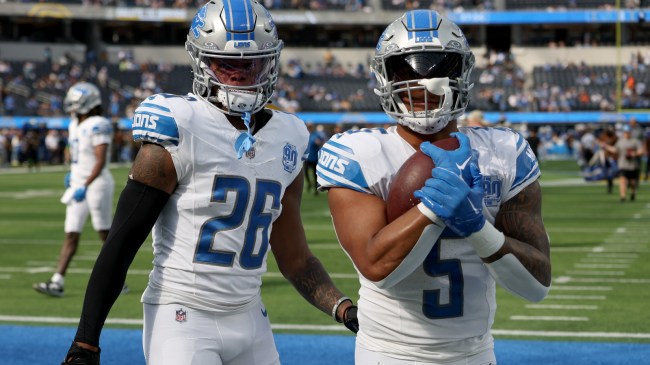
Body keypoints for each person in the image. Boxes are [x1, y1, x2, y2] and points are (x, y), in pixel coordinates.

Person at [61, 1, 358, 364]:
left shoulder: (290, 134)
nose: (239, 74)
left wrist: (344, 308)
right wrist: (85, 342)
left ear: (271, 61)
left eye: (252, 62)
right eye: (226, 63)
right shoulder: (181, 124)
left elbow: (295, 258)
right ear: (202, 62)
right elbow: (121, 242)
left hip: (251, 315)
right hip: (182, 315)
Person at [317, 10, 551, 365]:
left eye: (440, 69)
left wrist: (476, 226)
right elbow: (377, 267)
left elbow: (536, 286)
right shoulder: (359, 153)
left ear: (462, 74)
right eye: (405, 71)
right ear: (385, 77)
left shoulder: (504, 152)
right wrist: (432, 209)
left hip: (476, 353)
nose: (423, 83)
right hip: (391, 355)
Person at [33, 82, 121, 298]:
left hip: (96, 184)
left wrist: (85, 183)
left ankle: (118, 277)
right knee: (71, 233)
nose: (72, 106)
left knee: (104, 233)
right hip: (78, 184)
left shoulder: (98, 123)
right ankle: (57, 281)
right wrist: (72, 173)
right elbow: (73, 151)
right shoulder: (75, 124)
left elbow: (99, 161)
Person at [600, 125, 644, 202]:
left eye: (628, 132)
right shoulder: (620, 141)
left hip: (632, 165)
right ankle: (623, 196)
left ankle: (633, 193)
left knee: (632, 182)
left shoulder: (635, 141)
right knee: (622, 180)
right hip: (622, 164)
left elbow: (641, 151)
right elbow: (615, 150)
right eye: (625, 132)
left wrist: (634, 153)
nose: (626, 133)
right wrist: (606, 147)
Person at [304, 123, 327, 195]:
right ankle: (309, 184)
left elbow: (322, 142)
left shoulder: (316, 135)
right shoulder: (306, 135)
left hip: (314, 158)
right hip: (307, 158)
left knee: (315, 175)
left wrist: (319, 142)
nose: (309, 129)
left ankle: (315, 190)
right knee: (306, 173)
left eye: (310, 127)